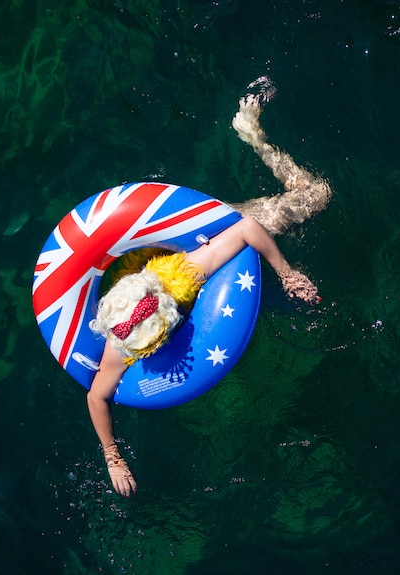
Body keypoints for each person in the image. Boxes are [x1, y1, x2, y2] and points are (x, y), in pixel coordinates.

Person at [87, 77, 332, 497]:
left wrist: (286, 272)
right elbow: (97, 397)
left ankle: (251, 133)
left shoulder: (181, 276)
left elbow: (246, 227)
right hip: (133, 263)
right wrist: (113, 456)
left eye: (159, 335)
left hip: (189, 239)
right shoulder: (120, 341)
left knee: (317, 194)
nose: (158, 344)